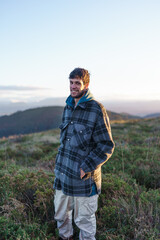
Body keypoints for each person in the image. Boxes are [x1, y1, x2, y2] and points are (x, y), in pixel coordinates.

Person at [54, 68, 115, 240]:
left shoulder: (96, 109)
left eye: (77, 83)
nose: (73, 87)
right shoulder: (68, 106)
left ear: (86, 85)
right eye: (71, 82)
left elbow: (106, 145)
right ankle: (65, 237)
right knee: (61, 215)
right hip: (63, 174)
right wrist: (58, 166)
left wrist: (85, 167)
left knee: (84, 221)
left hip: (84, 179)